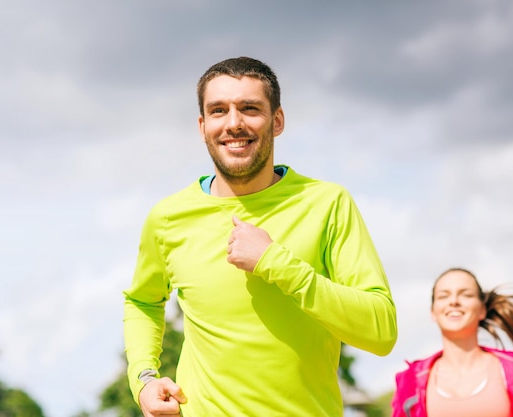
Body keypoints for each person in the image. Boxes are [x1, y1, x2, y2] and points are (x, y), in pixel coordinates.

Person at [123, 56, 398, 417]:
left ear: (277, 120)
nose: (234, 123)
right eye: (219, 111)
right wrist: (144, 378)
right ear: (203, 125)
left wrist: (277, 264)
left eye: (249, 108)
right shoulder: (167, 217)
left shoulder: (328, 203)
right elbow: (143, 301)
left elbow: (380, 331)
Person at [391, 267, 513, 417]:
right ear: (433, 312)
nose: (453, 301)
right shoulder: (411, 380)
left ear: (482, 310)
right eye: (443, 296)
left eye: (466, 295)